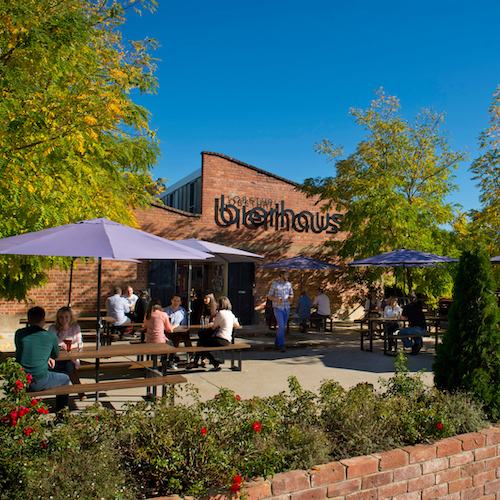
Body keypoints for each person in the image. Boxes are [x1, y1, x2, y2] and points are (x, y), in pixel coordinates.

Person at [15, 307, 70, 412]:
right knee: (65, 378)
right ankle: (61, 414)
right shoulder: (50, 336)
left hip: (21, 379)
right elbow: (56, 354)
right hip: (38, 380)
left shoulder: (19, 334)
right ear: (43, 319)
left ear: (29, 320)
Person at [48, 306, 85, 400]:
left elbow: (80, 343)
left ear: (70, 317)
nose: (64, 319)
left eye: (66, 317)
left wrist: (71, 346)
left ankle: (62, 401)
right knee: (68, 366)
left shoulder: (75, 327)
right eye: (61, 317)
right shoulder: (53, 328)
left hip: (71, 358)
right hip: (57, 359)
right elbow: (49, 343)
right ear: (57, 318)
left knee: (68, 365)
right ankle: (80, 392)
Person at [195, 296, 240, 371]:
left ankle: (215, 363)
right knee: (203, 342)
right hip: (228, 340)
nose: (216, 305)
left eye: (218, 303)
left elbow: (213, 327)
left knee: (201, 343)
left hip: (220, 339)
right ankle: (201, 362)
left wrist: (212, 324)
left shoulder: (221, 313)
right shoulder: (230, 313)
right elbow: (237, 325)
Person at [143, 298, 176, 369]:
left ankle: (161, 362)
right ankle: (171, 361)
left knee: (168, 342)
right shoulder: (163, 315)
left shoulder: (147, 315)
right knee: (171, 343)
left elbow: (145, 326)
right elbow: (169, 329)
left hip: (149, 341)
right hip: (160, 341)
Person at [267, 270, 294, 352]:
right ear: (281, 275)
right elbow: (269, 296)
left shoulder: (289, 284)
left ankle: (276, 343)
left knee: (282, 327)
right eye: (286, 274)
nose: (287, 276)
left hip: (286, 307)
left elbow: (291, 294)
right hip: (278, 307)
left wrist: (291, 297)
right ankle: (281, 345)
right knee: (281, 326)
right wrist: (275, 299)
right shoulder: (275, 285)